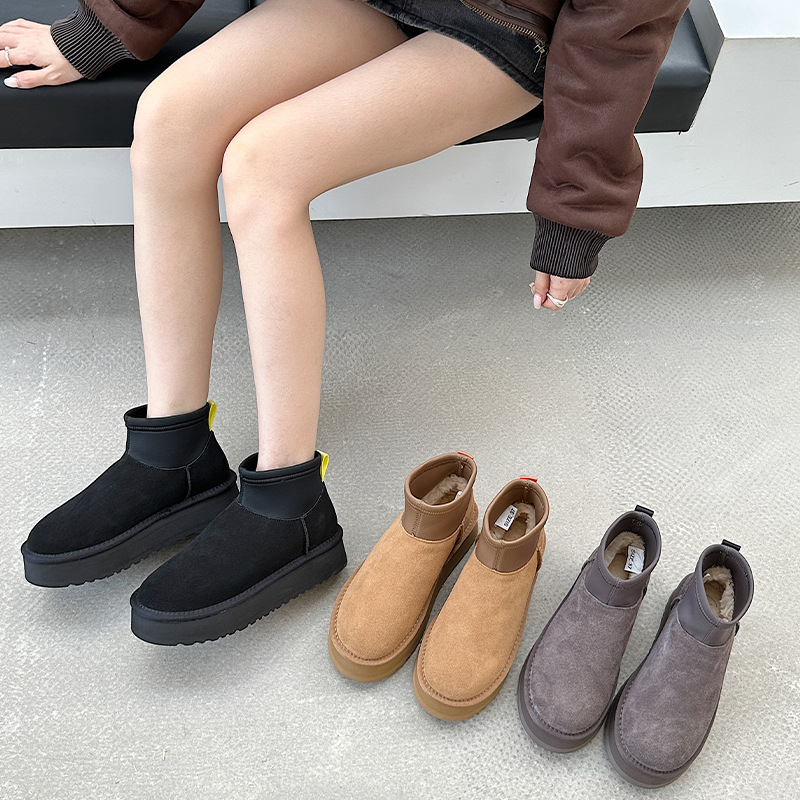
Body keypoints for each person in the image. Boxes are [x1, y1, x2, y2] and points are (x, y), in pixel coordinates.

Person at [12, 0, 690, 645]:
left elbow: (620, 19)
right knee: (168, 119)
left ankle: (288, 502)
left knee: (263, 165)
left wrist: (577, 205)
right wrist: (104, 29)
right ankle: (173, 449)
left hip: (506, 21)